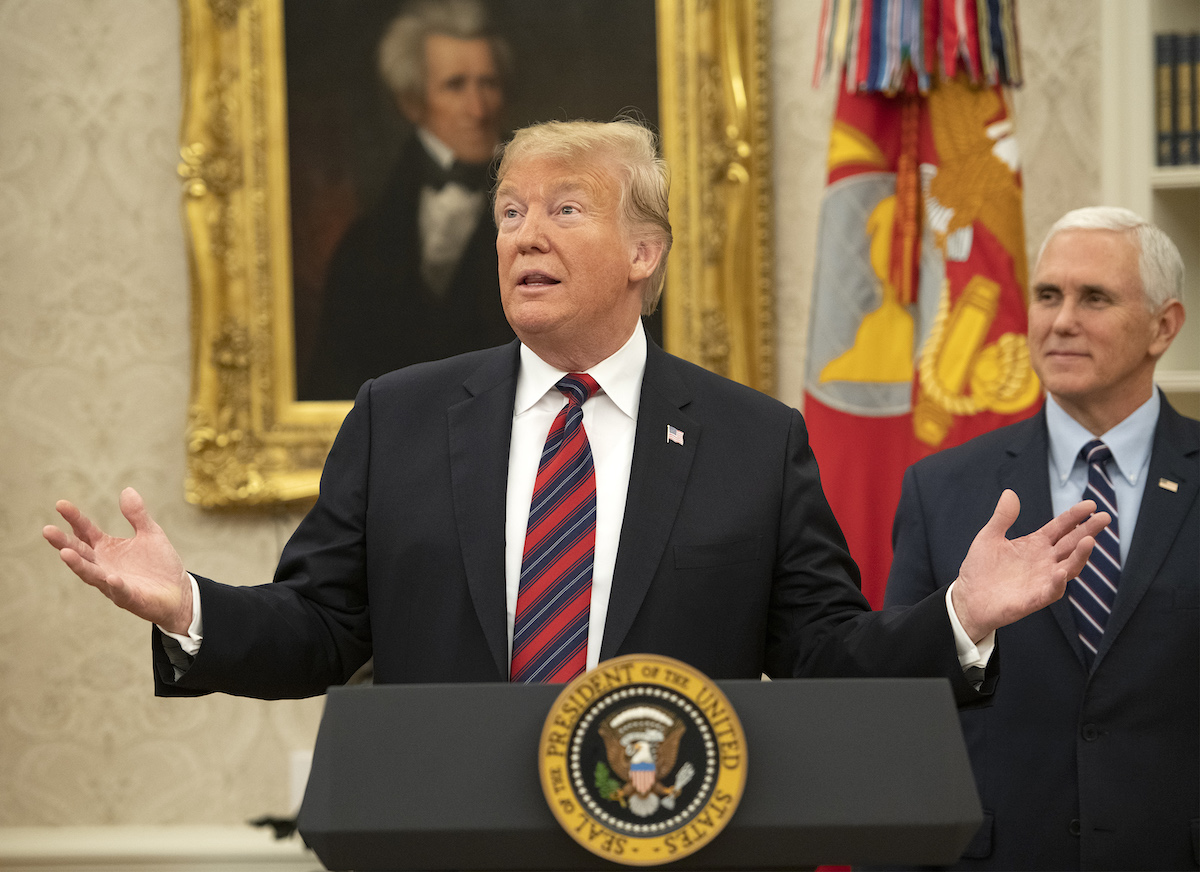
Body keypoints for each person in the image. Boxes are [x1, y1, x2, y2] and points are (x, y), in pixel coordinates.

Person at [45, 120, 1106, 709]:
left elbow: (826, 659)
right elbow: (318, 631)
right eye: (509, 212)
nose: (522, 235)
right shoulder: (400, 417)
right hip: (442, 843)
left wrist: (961, 615)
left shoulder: (752, 439)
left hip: (677, 838)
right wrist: (191, 602)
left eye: (563, 209)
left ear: (644, 253)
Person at [884, 206, 1197, 870]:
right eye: (1048, 295)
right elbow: (897, 710)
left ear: (1163, 327)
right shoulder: (941, 489)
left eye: (1095, 298)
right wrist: (966, 626)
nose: (1061, 321)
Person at [299, 0, 515, 401]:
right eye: (456, 85)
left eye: (489, 84)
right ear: (410, 103)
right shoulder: (361, 248)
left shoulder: (552, 218)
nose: (479, 108)